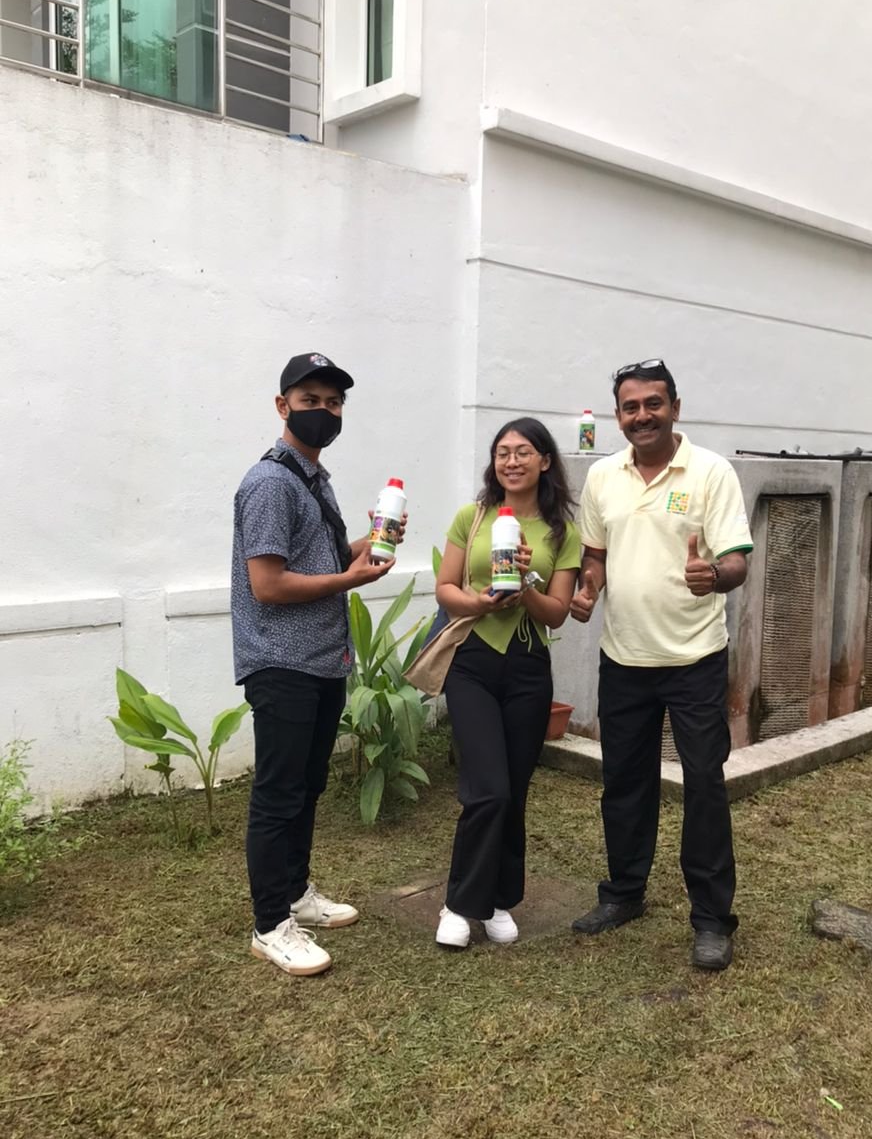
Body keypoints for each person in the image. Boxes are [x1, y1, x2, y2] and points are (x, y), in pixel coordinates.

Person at [569, 361, 752, 971]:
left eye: (653, 403)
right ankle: (624, 893)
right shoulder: (603, 477)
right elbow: (595, 555)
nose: (642, 415)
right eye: (631, 407)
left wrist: (713, 575)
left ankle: (712, 919)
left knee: (703, 783)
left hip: (694, 658)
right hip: (623, 656)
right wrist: (588, 587)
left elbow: (736, 561)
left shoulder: (711, 471)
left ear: (675, 406)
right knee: (624, 781)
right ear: (618, 415)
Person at [231, 353, 400, 976]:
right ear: (283, 406)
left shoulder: (311, 478)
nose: (323, 412)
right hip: (283, 662)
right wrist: (350, 580)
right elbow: (268, 584)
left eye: (333, 403)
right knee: (279, 793)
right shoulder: (271, 483)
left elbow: (318, 558)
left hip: (322, 660)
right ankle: (269, 924)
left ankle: (296, 893)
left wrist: (371, 541)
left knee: (307, 785)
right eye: (310, 401)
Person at [434, 418, 581, 949]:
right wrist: (479, 602)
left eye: (522, 452)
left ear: (545, 461)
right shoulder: (472, 517)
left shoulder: (562, 533)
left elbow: (558, 612)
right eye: (502, 452)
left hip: (527, 665)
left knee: (514, 790)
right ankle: (458, 904)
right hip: (472, 660)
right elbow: (445, 588)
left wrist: (524, 588)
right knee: (488, 789)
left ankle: (499, 900)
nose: (511, 461)